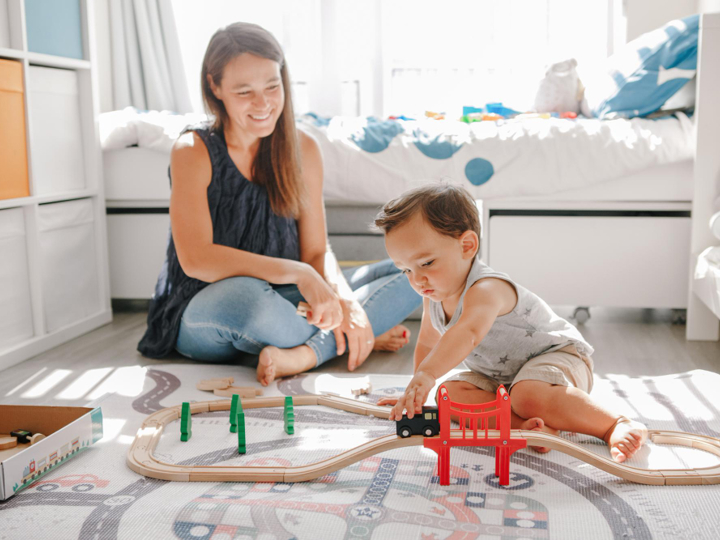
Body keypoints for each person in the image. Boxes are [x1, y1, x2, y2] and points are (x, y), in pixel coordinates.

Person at [137, 23, 421, 385]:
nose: (264, 104)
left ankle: (304, 353)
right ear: (215, 86)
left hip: (287, 301)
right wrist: (302, 274)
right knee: (249, 298)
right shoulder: (193, 151)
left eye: (273, 86)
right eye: (245, 92)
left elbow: (316, 250)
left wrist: (344, 299)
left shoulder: (304, 149)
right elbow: (196, 259)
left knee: (416, 271)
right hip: (209, 306)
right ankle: (347, 337)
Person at [374, 183, 648, 463]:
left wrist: (427, 374)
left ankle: (613, 424)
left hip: (558, 361)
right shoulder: (433, 296)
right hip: (502, 380)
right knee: (448, 396)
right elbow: (429, 343)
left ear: (466, 246)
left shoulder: (487, 289)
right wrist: (417, 390)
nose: (417, 279)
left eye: (427, 263)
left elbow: (467, 332)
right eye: (406, 270)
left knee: (527, 394)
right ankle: (527, 427)